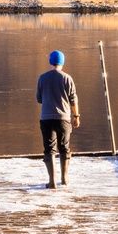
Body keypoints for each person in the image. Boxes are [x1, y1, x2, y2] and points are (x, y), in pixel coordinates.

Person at [35, 49, 79, 188]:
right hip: (64, 119)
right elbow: (73, 100)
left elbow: (39, 99)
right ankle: (64, 179)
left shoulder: (42, 78)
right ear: (62, 62)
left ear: (50, 61)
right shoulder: (67, 78)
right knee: (64, 148)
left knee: (49, 149)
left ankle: (52, 181)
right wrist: (76, 116)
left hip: (46, 118)